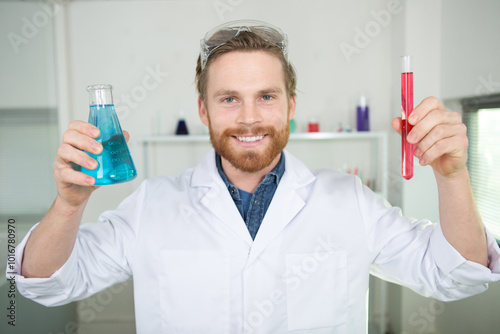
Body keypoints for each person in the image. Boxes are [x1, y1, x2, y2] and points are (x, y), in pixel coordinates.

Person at [10, 20, 500, 334]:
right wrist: (70, 205)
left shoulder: (350, 200)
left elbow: (455, 274)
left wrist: (453, 176)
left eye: (266, 96)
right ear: (203, 109)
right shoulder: (151, 206)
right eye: (229, 99)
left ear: (291, 106)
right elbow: (47, 283)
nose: (248, 117)